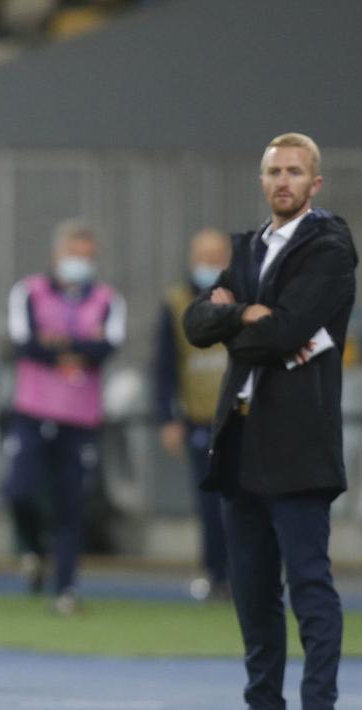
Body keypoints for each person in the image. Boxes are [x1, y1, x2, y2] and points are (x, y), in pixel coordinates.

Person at [183, 132, 356, 710]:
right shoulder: (249, 248)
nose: (283, 180)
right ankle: (263, 703)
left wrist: (234, 322)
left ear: (315, 183)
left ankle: (318, 704)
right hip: (241, 442)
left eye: (294, 171)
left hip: (299, 445)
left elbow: (279, 332)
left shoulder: (329, 247)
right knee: (253, 597)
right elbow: (194, 323)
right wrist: (241, 314)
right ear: (262, 180)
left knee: (309, 587)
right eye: (274, 171)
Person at [1, 219, 126, 614]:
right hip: (32, 411)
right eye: (74, 254)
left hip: (80, 418)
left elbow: (106, 349)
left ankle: (66, 587)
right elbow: (25, 343)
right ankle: (36, 552)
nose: (79, 262)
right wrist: (78, 348)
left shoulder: (108, 299)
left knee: (73, 503)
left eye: (87, 256)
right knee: (19, 491)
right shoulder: (29, 291)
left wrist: (59, 344)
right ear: (57, 255)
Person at [153, 228, 232, 601]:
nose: (209, 264)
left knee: (245, 502)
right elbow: (164, 367)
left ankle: (244, 575)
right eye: (203, 256)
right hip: (201, 418)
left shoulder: (243, 299)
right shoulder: (176, 302)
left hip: (243, 417)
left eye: (217, 256)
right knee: (210, 503)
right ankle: (215, 573)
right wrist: (168, 418)